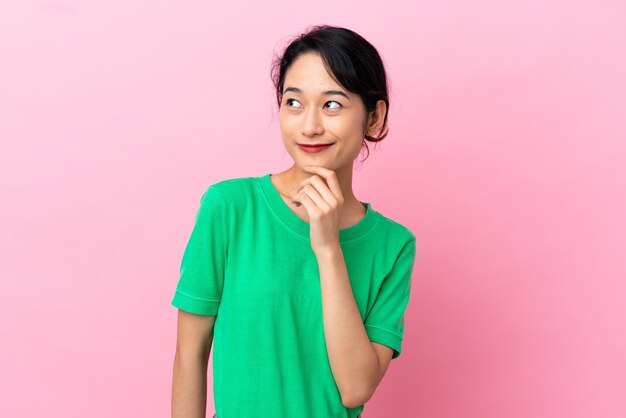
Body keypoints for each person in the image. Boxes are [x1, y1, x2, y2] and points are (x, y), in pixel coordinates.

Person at [171, 24, 417, 418]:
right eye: (294, 102)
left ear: (374, 118)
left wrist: (327, 249)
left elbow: (355, 388)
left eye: (332, 104)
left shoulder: (393, 245)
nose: (309, 126)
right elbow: (189, 353)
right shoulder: (230, 207)